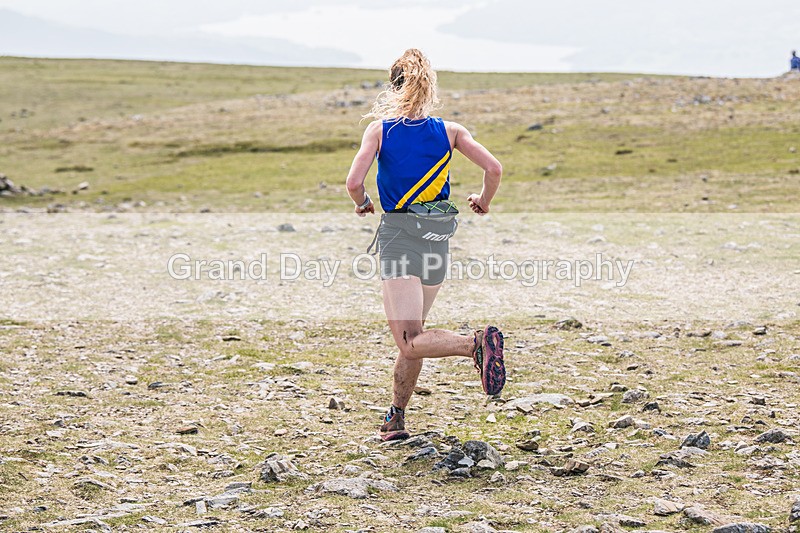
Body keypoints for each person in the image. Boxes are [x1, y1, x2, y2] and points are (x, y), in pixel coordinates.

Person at [344, 48, 506, 441]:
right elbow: (494, 168)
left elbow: (353, 183)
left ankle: (475, 344)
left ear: (393, 86)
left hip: (400, 238)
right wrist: (482, 202)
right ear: (429, 87)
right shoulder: (450, 131)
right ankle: (396, 416)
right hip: (437, 239)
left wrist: (363, 204)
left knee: (409, 339)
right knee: (414, 336)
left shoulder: (380, 130)